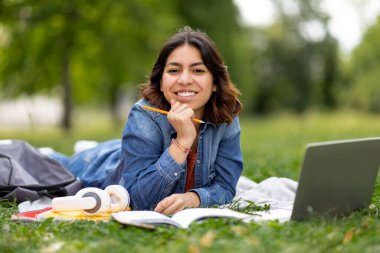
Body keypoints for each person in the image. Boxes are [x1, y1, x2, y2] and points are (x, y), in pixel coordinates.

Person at [51, 26, 243, 215]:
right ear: (160, 81)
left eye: (198, 71)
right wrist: (182, 142)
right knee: (56, 166)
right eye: (174, 70)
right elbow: (138, 200)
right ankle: (65, 152)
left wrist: (193, 198)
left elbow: (225, 186)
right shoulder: (144, 115)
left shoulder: (226, 116)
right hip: (101, 166)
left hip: (124, 151)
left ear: (216, 82)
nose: (184, 79)